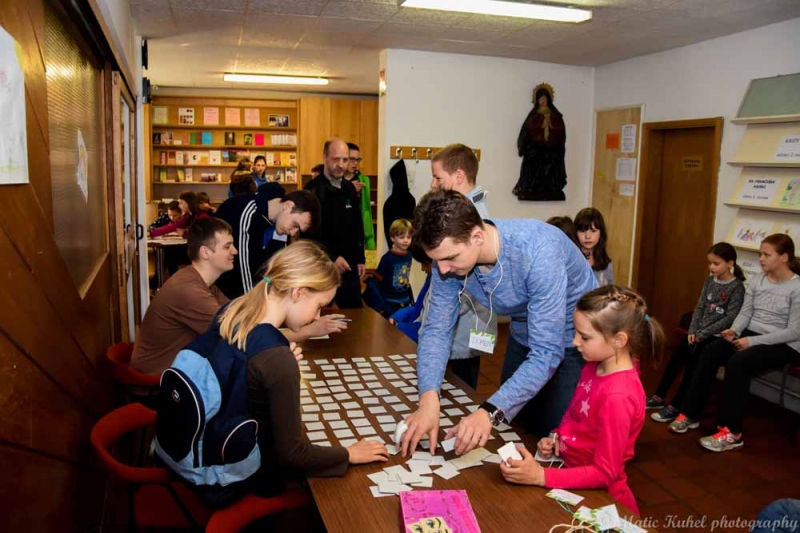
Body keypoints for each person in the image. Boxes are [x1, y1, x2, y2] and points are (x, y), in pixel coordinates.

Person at [400, 189, 597, 457]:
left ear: (477, 237)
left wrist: (489, 412)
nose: (442, 269)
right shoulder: (446, 260)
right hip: (524, 330)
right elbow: (436, 330)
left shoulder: (538, 252)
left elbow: (546, 353)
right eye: (436, 260)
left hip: (574, 339)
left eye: (449, 258)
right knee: (515, 426)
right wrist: (428, 399)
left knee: (555, 433)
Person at [212, 242, 389, 504]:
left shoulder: (233, 311)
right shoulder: (276, 358)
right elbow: (293, 454)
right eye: (319, 305)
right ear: (298, 292)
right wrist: (349, 454)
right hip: (247, 479)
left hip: (217, 447)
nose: (317, 316)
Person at [500, 285, 663, 517]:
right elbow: (576, 415)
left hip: (602, 499)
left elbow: (604, 473)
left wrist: (540, 476)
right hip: (570, 475)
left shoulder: (618, 397)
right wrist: (557, 436)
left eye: (584, 337)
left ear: (619, 340)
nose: (575, 341)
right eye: (576, 332)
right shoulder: (592, 365)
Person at [669, 234, 800, 452]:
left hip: (782, 343)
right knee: (711, 351)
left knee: (738, 363)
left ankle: (732, 432)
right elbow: (746, 312)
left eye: (766, 255)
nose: (761, 259)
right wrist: (735, 330)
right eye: (760, 254)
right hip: (751, 334)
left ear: (784, 257)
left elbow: (794, 331)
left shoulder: (797, 287)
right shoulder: (758, 279)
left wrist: (752, 341)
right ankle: (690, 413)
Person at [647, 243, 746, 423]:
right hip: (697, 333)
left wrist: (703, 333)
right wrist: (692, 330)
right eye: (710, 263)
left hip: (714, 337)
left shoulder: (737, 287)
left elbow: (730, 318)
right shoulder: (710, 281)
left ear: (730, 263)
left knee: (692, 366)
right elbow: (700, 307)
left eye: (716, 263)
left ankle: (676, 406)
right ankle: (659, 397)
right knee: (677, 357)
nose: (711, 267)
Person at [423, 143, 494, 389]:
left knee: (461, 391)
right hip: (457, 330)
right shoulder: (463, 213)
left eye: (437, 177)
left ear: (459, 176)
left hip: (463, 331)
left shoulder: (474, 218)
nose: (433, 184)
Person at [132, 218, 235, 376]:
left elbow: (236, 310)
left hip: (177, 368)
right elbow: (234, 330)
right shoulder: (189, 290)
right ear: (205, 252)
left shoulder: (198, 280)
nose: (235, 251)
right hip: (159, 380)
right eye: (227, 247)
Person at [214, 182, 320, 300]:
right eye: (295, 225)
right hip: (218, 289)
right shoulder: (247, 213)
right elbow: (243, 272)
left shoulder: (280, 224)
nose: (293, 233)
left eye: (298, 231)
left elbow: (275, 268)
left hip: (239, 290)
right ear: (288, 205)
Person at [304, 138, 365, 309]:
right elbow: (308, 235)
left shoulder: (350, 188)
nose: (341, 165)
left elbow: (357, 224)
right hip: (322, 267)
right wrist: (332, 258)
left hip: (349, 267)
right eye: (336, 159)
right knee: (314, 314)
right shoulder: (312, 190)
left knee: (355, 315)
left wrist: (360, 258)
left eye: (345, 160)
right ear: (325, 158)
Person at [512, 84, 567, 201]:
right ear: (537, 100)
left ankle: (551, 189)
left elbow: (561, 132)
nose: (543, 101)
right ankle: (531, 188)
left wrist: (550, 125)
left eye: (545, 98)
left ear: (549, 99)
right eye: (540, 99)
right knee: (532, 160)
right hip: (537, 148)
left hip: (552, 149)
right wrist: (541, 125)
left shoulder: (555, 116)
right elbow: (527, 131)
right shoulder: (533, 116)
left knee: (552, 163)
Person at [371, 218, 413, 316]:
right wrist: (381, 304)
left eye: (409, 237)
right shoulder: (387, 258)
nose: (406, 240)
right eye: (402, 237)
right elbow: (377, 282)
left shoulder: (409, 256)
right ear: (393, 238)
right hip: (389, 302)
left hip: (405, 300)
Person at [346, 142, 376, 251]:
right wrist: (348, 188)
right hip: (341, 231)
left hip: (359, 231)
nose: (355, 163)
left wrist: (369, 238)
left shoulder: (364, 180)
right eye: (351, 159)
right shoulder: (335, 181)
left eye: (358, 160)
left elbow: (366, 210)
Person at [575, 207, 614, 287]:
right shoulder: (572, 260)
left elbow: (610, 289)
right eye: (582, 231)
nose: (587, 236)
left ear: (601, 233)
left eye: (593, 231)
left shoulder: (606, 262)